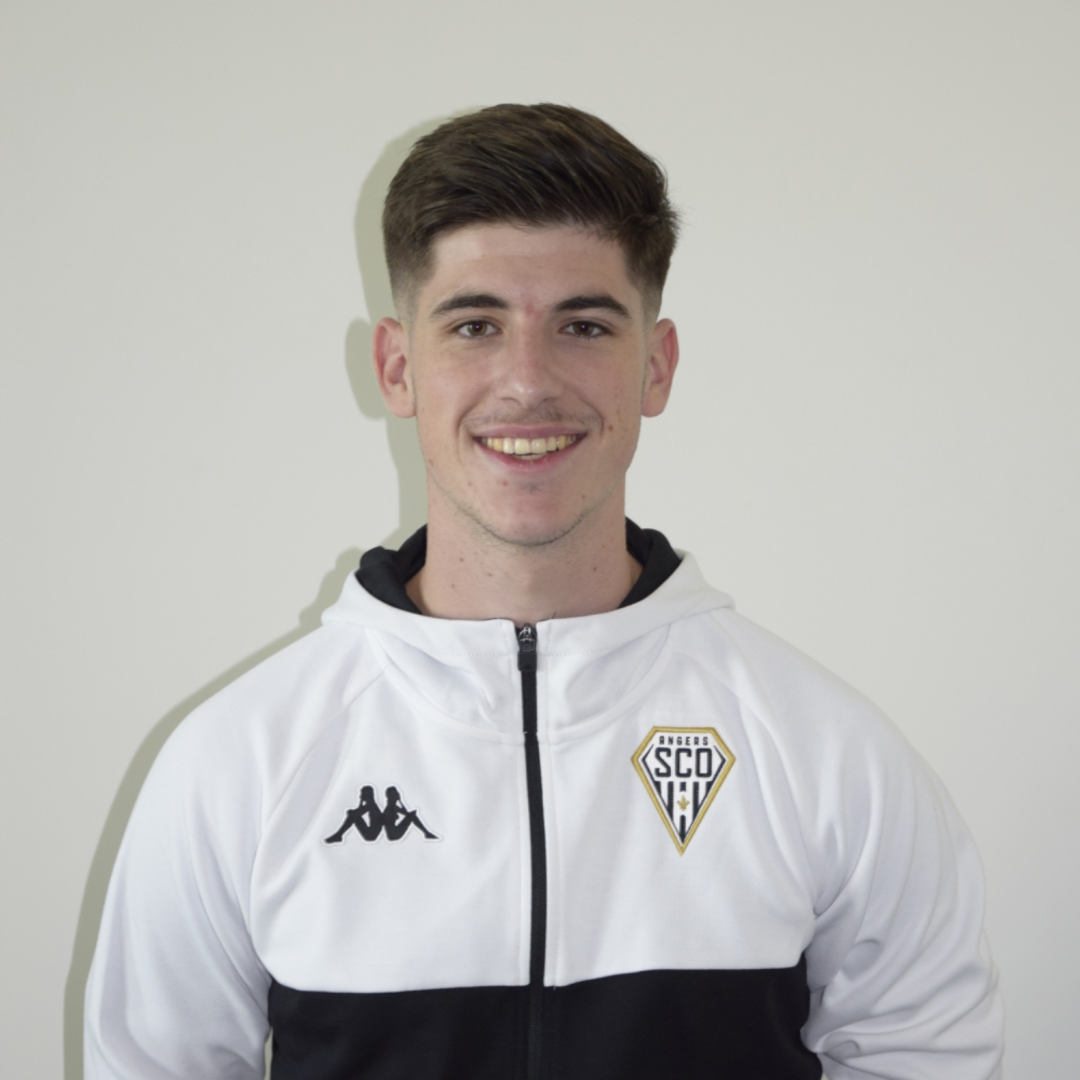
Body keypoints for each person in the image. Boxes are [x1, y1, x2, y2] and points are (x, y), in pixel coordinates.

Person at [84, 103, 1004, 1079]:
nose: (527, 380)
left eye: (583, 325)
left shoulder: (825, 753)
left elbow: (925, 1057)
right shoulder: (239, 762)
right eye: (475, 325)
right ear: (396, 368)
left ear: (657, 366)